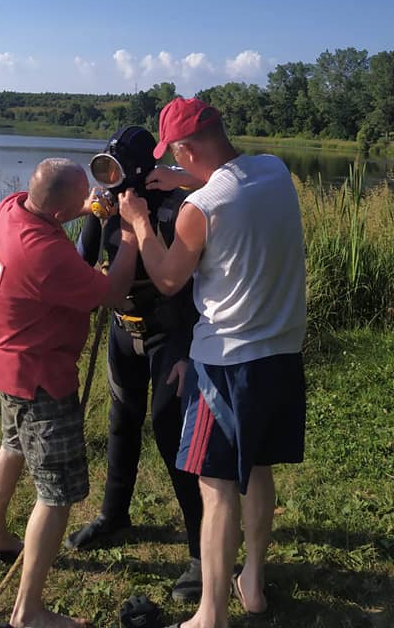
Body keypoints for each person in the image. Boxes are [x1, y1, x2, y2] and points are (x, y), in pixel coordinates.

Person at [118, 98, 307, 628]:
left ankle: (211, 615)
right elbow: (225, 182)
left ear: (183, 147)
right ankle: (253, 582)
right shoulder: (275, 171)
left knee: (215, 484)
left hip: (226, 364)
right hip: (281, 355)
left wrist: (139, 222)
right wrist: (176, 178)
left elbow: (170, 278)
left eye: (175, 157)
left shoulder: (201, 210)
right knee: (258, 469)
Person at [0, 157, 138, 628]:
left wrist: (88, 209)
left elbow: (58, 217)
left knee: (11, 445)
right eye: (80, 198)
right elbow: (112, 290)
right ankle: (29, 611)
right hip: (41, 379)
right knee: (57, 493)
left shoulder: (11, 210)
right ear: (60, 210)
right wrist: (128, 230)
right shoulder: (44, 252)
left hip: (7, 363)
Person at [65, 126, 203, 603]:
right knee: (122, 420)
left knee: (171, 431)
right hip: (125, 327)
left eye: (118, 169)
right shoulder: (106, 204)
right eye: (104, 167)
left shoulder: (177, 205)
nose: (110, 179)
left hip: (171, 329)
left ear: (145, 170)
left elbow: (195, 276)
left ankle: (201, 554)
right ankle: (114, 514)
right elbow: (82, 260)